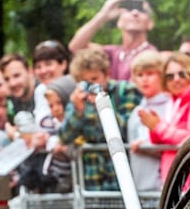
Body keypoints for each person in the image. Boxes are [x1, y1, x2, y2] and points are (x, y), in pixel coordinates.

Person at [59, 45, 141, 190]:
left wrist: (101, 106)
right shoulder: (78, 98)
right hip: (90, 183)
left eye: (94, 79)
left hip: (123, 180)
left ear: (107, 73)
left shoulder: (126, 91)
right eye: (85, 81)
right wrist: (78, 111)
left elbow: (124, 130)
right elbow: (64, 137)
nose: (91, 86)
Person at [139, 52, 190, 181]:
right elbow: (165, 139)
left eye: (181, 73)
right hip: (177, 176)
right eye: (170, 76)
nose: (176, 79)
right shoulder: (176, 101)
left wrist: (158, 126)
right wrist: (154, 128)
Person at [69, 0, 158, 80]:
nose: (135, 12)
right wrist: (103, 15)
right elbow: (76, 47)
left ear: (150, 23)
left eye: (142, 10)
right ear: (119, 22)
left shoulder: (153, 55)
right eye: (129, 9)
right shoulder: (112, 53)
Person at [125, 51, 172, 194]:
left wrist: (145, 147)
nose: (144, 79)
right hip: (140, 188)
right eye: (140, 75)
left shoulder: (170, 105)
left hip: (163, 186)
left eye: (150, 74)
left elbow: (173, 143)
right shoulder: (136, 111)